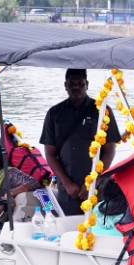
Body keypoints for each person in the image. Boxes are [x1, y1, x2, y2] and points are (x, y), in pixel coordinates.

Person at [40, 68, 121, 215]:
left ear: (87, 84)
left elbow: (110, 150)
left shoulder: (102, 110)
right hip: (68, 188)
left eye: (80, 83)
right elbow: (50, 154)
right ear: (65, 85)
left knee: (96, 228)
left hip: (97, 185)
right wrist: (66, 183)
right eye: (71, 84)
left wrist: (94, 182)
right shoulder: (54, 113)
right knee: (70, 227)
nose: (76, 87)